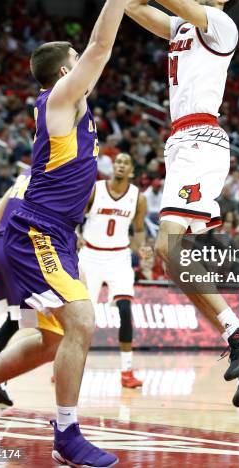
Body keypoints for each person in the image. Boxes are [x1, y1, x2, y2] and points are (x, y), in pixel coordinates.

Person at [0, 0, 138, 467]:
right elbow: (102, 47)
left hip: (52, 233)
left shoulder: (73, 108)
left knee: (50, 341)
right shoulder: (59, 99)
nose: (86, 64)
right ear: (65, 71)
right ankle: (66, 436)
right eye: (76, 60)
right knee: (82, 322)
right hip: (35, 231)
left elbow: (98, 52)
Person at [124, 0, 239, 407]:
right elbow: (131, 3)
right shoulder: (181, 26)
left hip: (201, 141)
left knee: (169, 252)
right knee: (172, 260)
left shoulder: (222, 25)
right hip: (182, 146)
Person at [79, 153, 147, 389]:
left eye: (125, 163)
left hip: (119, 256)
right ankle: (71, 365)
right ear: (112, 167)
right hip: (90, 255)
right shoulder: (95, 189)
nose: (120, 165)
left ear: (131, 171)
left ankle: (127, 371)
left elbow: (138, 231)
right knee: (81, 317)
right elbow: (77, 215)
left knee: (126, 309)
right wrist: (75, 235)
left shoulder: (138, 197)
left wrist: (144, 253)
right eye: (118, 162)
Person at [0, 169, 31, 407]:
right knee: (28, 321)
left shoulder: (23, 174)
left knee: (19, 319)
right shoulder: (52, 177)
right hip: (15, 248)